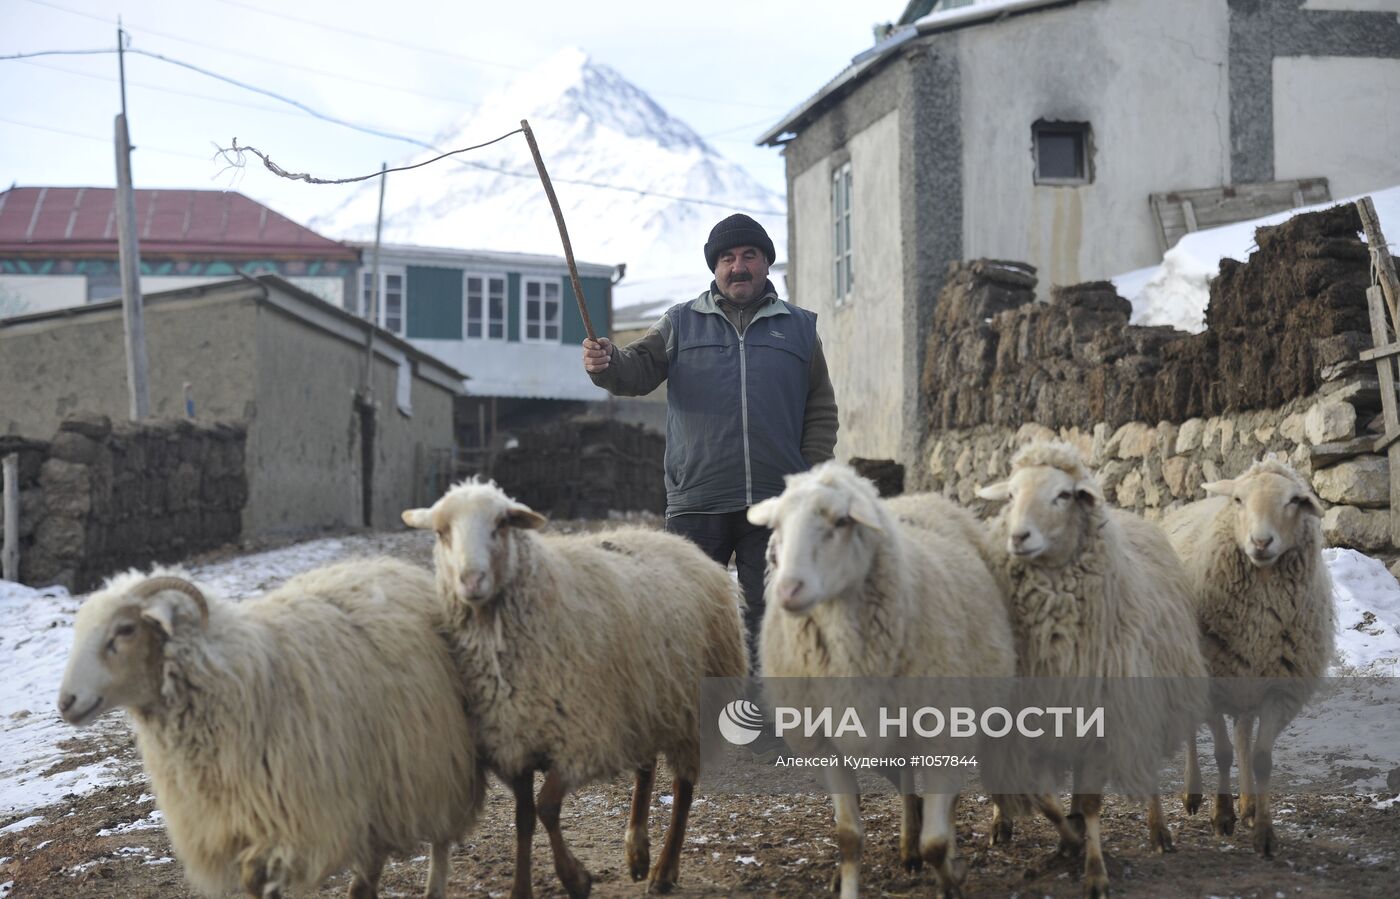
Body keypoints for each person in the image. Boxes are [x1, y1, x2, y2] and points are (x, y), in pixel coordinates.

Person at [583, 213, 838, 652]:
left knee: (772, 623)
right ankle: (694, 715)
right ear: (714, 268)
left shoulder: (799, 328)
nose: (738, 266)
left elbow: (820, 407)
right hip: (696, 501)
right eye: (727, 258)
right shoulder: (680, 322)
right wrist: (607, 364)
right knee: (689, 622)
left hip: (776, 506)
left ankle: (765, 715)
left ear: (766, 264)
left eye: (749, 256)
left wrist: (805, 476)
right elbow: (635, 370)